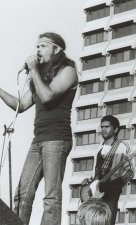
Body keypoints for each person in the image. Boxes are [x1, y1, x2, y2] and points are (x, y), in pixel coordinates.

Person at [0, 32, 78, 225]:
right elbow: (21, 105)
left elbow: (48, 96)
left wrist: (34, 70)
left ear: (57, 49)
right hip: (39, 139)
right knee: (22, 193)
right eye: (37, 46)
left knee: (51, 198)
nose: (38, 50)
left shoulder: (68, 71)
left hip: (57, 138)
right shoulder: (40, 76)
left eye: (43, 46)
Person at [82, 115, 135, 225]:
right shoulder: (99, 149)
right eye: (102, 127)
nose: (103, 129)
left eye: (107, 127)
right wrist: (89, 181)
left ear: (115, 129)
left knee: (108, 222)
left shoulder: (123, 146)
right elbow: (96, 174)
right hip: (95, 194)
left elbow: (130, 172)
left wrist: (112, 185)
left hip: (111, 192)